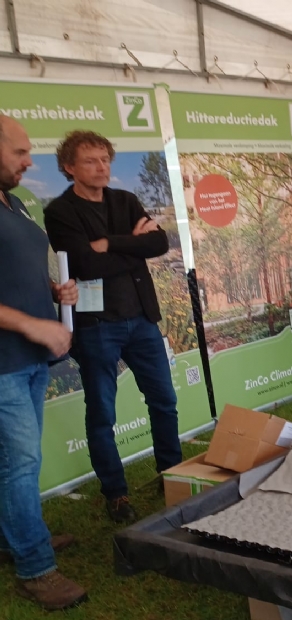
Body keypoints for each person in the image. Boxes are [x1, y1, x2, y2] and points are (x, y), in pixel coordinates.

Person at [44, 131, 182, 524]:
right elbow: (85, 264)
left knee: (164, 401)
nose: (101, 167)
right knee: (102, 414)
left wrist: (108, 243)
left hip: (142, 320)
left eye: (105, 159)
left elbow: (160, 244)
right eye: (90, 160)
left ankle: (172, 475)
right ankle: (116, 494)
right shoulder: (60, 211)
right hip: (96, 327)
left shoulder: (125, 200)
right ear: (69, 167)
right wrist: (131, 246)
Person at [0, 116, 86, 609]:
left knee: (15, 462)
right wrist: (33, 325)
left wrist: (53, 292)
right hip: (5, 363)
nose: (30, 162)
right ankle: (34, 566)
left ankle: (15, 534)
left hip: (27, 359)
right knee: (20, 463)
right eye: (20, 152)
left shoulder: (11, 203)